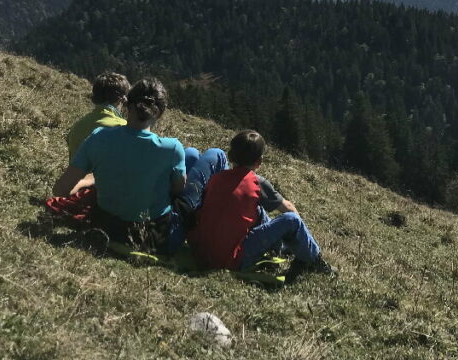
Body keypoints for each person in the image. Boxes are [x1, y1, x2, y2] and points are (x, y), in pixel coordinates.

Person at [54, 78, 188, 252]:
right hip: (149, 237)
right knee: (202, 157)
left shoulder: (99, 137)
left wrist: (89, 180)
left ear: (127, 105)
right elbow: (178, 190)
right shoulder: (172, 148)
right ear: (161, 112)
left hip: (104, 226)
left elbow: (60, 189)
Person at [190, 129, 334, 282]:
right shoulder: (256, 182)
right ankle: (315, 260)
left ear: (231, 156)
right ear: (259, 162)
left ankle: (280, 248)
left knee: (256, 209)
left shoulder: (216, 178)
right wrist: (301, 235)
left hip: (200, 251)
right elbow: (289, 208)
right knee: (291, 220)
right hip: (230, 259)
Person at [61, 71, 130, 194]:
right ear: (122, 99)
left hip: (75, 190)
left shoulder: (78, 125)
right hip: (107, 194)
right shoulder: (124, 127)